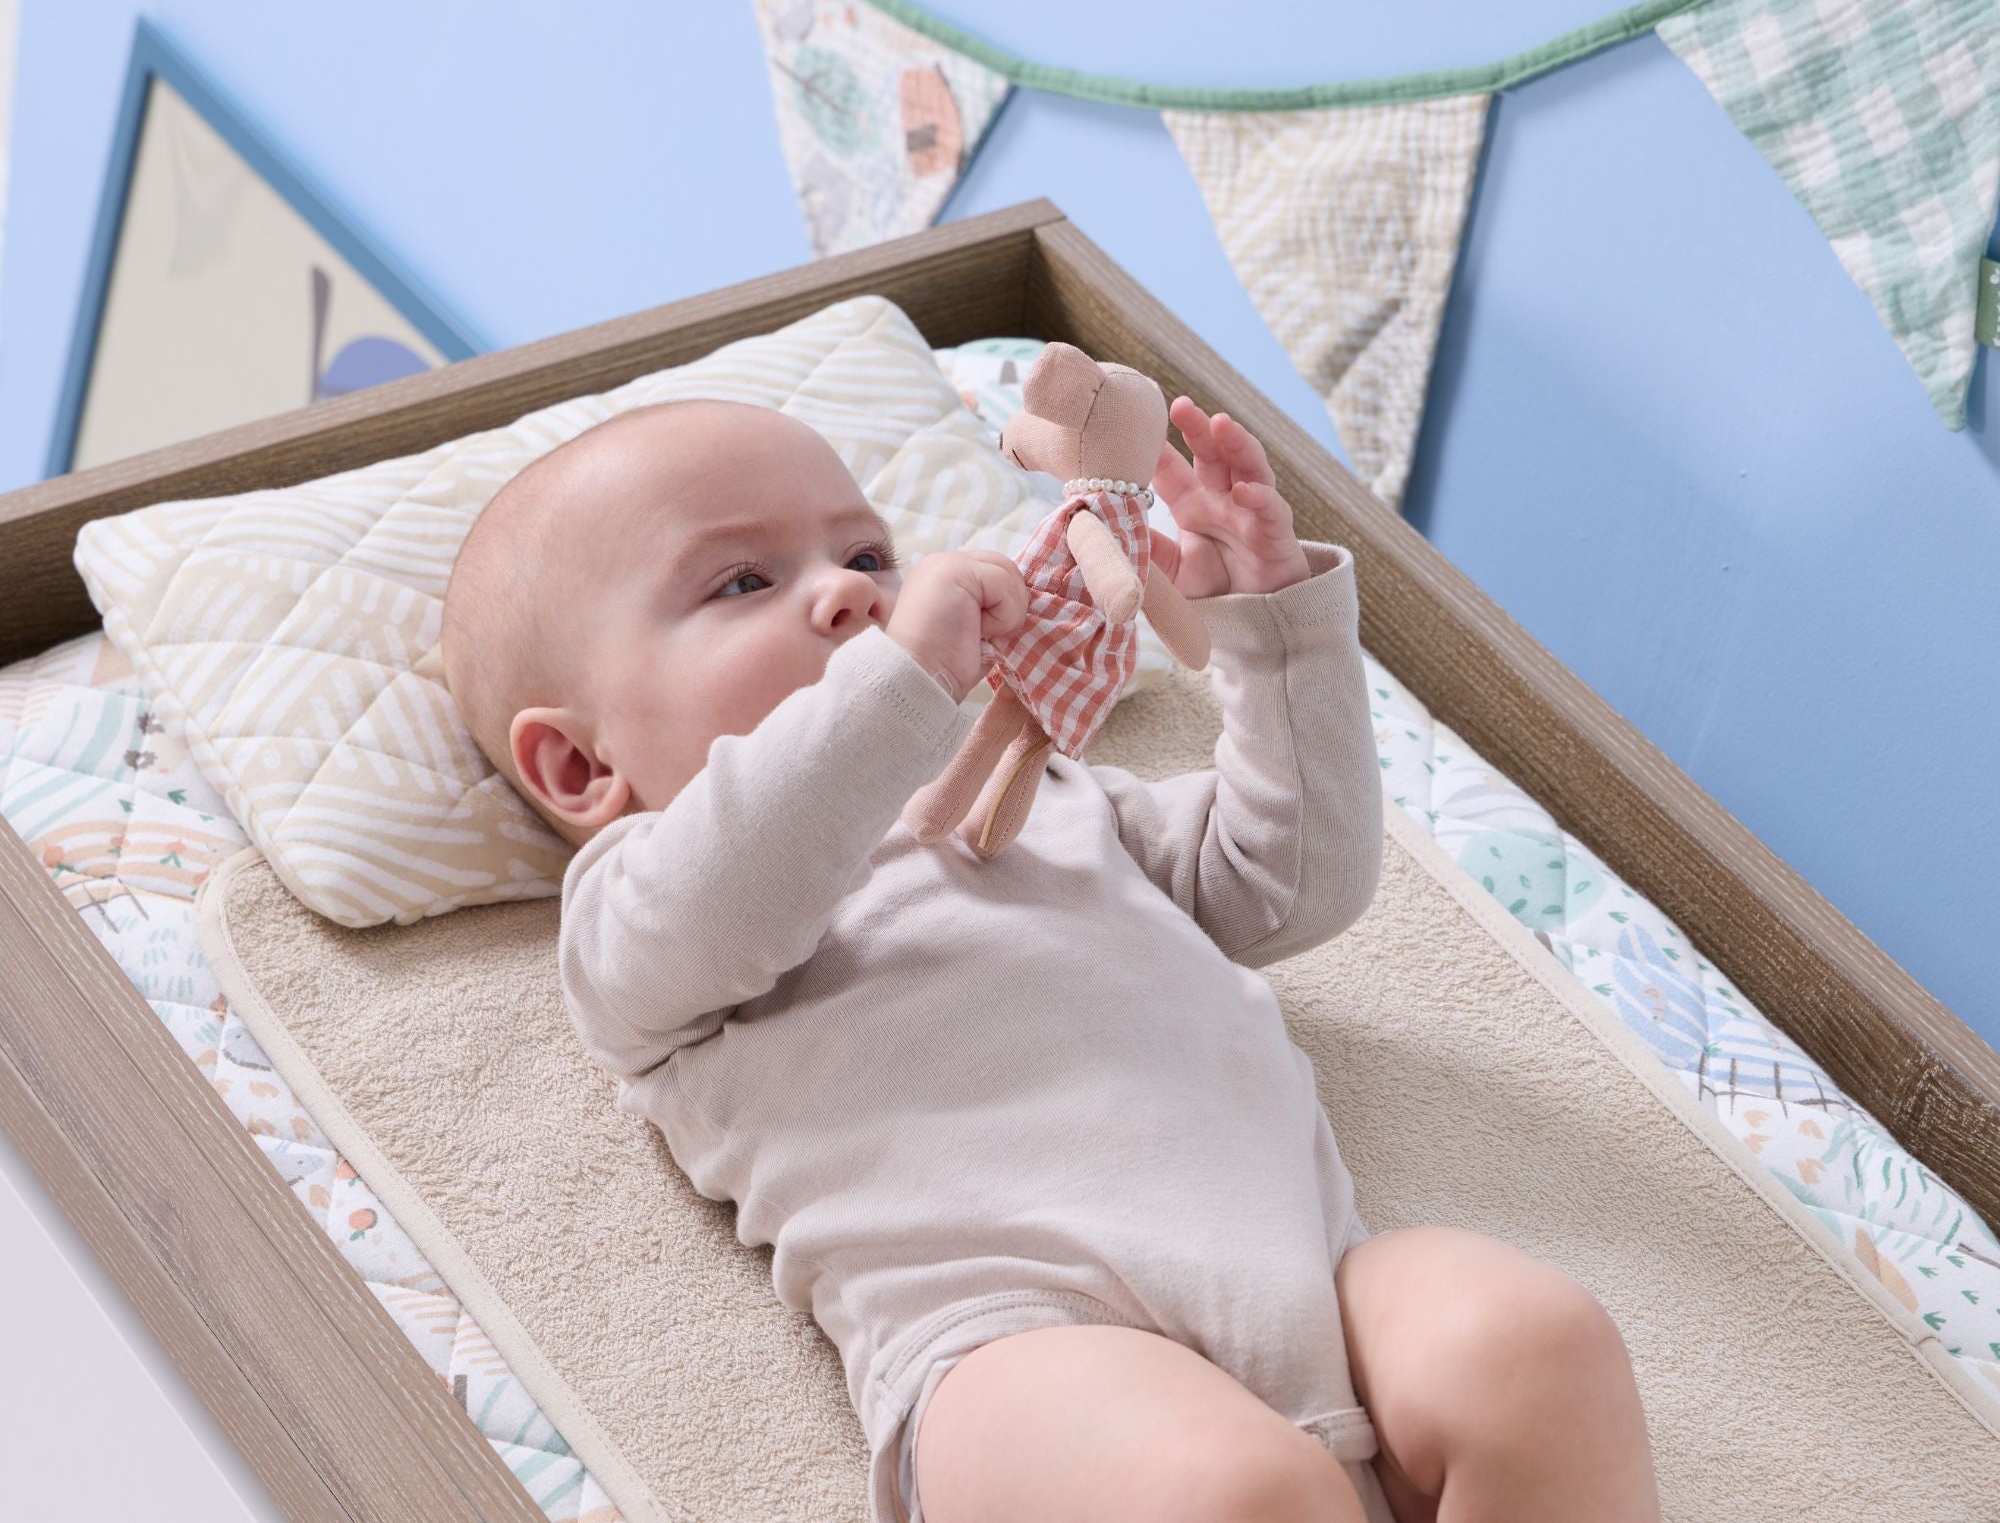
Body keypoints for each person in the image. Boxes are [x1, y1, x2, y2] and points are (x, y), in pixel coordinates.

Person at [440, 390, 1662, 1523]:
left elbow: (1290, 882)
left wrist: (1273, 630)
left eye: (866, 556)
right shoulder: (642, 909)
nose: (848, 595)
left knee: (1529, 1340)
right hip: (1013, 1346)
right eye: (743, 581)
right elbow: (750, 861)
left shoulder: (1058, 797)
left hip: (1310, 1281)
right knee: (1233, 1489)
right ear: (578, 768)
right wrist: (900, 678)